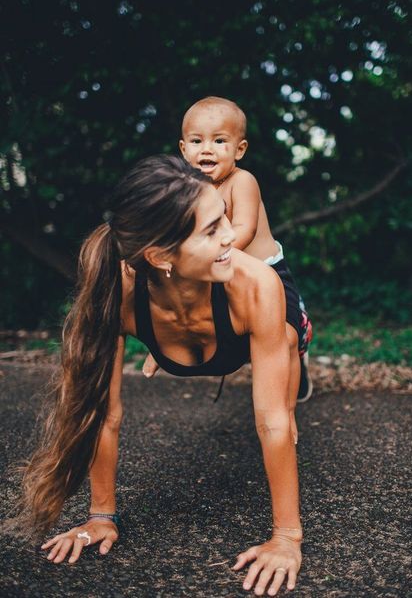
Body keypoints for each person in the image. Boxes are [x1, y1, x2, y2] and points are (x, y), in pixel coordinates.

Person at [11, 155, 303, 597]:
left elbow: (272, 422)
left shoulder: (257, 283)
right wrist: (100, 516)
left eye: (224, 216)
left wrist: (286, 538)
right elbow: (103, 415)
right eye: (211, 229)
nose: (231, 235)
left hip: (242, 340)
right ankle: (163, 353)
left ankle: (293, 353)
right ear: (160, 256)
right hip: (176, 335)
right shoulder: (118, 295)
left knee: (285, 338)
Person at [143, 96, 313, 402]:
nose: (206, 149)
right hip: (215, 271)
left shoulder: (242, 181)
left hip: (267, 272)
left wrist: (193, 254)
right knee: (173, 300)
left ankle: (287, 407)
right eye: (197, 141)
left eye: (219, 141)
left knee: (286, 338)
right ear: (183, 150)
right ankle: (162, 346)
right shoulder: (186, 190)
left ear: (240, 149)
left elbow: (243, 232)